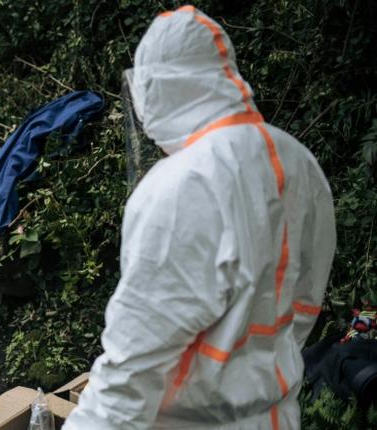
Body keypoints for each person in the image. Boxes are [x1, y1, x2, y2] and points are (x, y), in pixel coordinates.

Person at [64, 6, 335, 430]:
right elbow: (300, 311)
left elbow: (132, 367)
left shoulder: (184, 184)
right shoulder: (298, 162)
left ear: (158, 86)